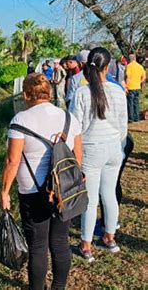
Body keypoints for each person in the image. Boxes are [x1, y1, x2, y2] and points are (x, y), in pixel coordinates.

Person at [0, 73, 82, 290]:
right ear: (50, 92)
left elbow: (12, 160)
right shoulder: (69, 118)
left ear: (26, 94)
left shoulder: (20, 121)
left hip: (32, 190)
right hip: (64, 190)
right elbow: (77, 158)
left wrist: (5, 191)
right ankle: (58, 287)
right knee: (60, 242)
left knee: (37, 246)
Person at [69, 47, 127, 263]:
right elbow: (123, 125)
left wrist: (76, 153)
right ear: (108, 66)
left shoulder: (82, 93)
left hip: (91, 148)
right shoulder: (118, 91)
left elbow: (77, 127)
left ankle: (86, 245)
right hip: (113, 147)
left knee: (91, 199)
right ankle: (110, 237)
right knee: (109, 194)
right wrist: (118, 145)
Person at [125, 54, 146, 122]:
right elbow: (144, 77)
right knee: (136, 103)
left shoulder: (129, 66)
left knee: (130, 104)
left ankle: (131, 119)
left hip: (131, 87)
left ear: (129, 59)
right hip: (137, 87)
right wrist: (139, 82)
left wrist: (126, 87)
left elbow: (128, 77)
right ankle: (136, 118)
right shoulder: (140, 66)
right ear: (135, 59)